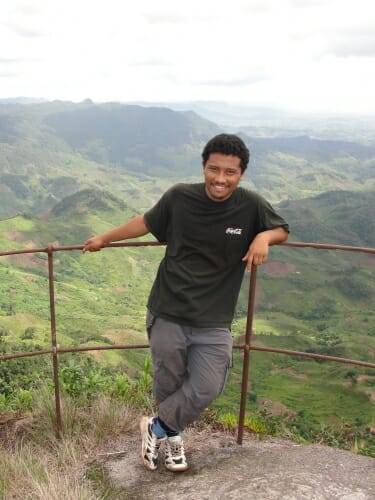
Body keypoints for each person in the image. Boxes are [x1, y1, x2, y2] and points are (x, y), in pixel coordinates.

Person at [83, 133, 289, 473]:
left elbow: (281, 228)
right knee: (169, 383)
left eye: (230, 172)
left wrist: (264, 236)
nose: (220, 179)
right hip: (168, 309)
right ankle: (173, 439)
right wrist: (104, 238)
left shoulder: (250, 205)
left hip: (214, 319)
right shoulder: (180, 197)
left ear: (241, 174)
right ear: (204, 166)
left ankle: (158, 428)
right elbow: (146, 222)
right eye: (214, 169)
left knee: (208, 385)